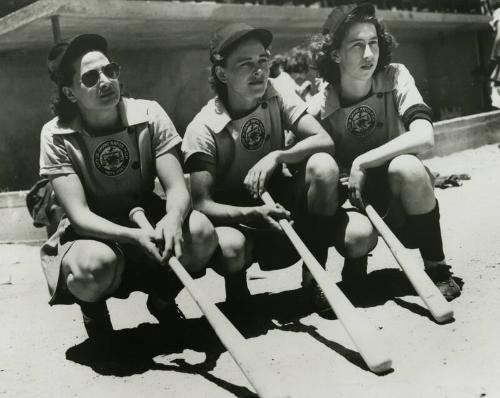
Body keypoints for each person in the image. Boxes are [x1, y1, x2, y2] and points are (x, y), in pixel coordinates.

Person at [39, 34, 218, 344]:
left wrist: (174, 218)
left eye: (111, 70)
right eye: (91, 77)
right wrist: (135, 236)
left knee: (201, 231)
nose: (106, 81)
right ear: (70, 92)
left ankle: (162, 301)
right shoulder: (55, 134)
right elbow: (80, 215)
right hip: (91, 231)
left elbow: (177, 187)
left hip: (146, 213)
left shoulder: (149, 113)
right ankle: (94, 314)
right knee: (93, 267)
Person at [182, 23, 353, 309]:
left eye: (263, 60)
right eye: (246, 63)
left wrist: (277, 157)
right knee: (230, 247)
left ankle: (315, 279)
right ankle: (238, 294)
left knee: (324, 166)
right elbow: (201, 204)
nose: (259, 70)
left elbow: (324, 141)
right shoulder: (202, 127)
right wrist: (253, 213)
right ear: (222, 74)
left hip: (282, 205)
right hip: (238, 219)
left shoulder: (276, 94)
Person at [308, 3, 462, 300]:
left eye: (373, 43)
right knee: (356, 237)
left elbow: (425, 136)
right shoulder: (320, 106)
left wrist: (363, 161)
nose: (369, 54)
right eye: (356, 45)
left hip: (399, 195)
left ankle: (437, 267)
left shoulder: (395, 76)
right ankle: (354, 266)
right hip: (357, 200)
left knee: (407, 166)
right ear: (336, 53)